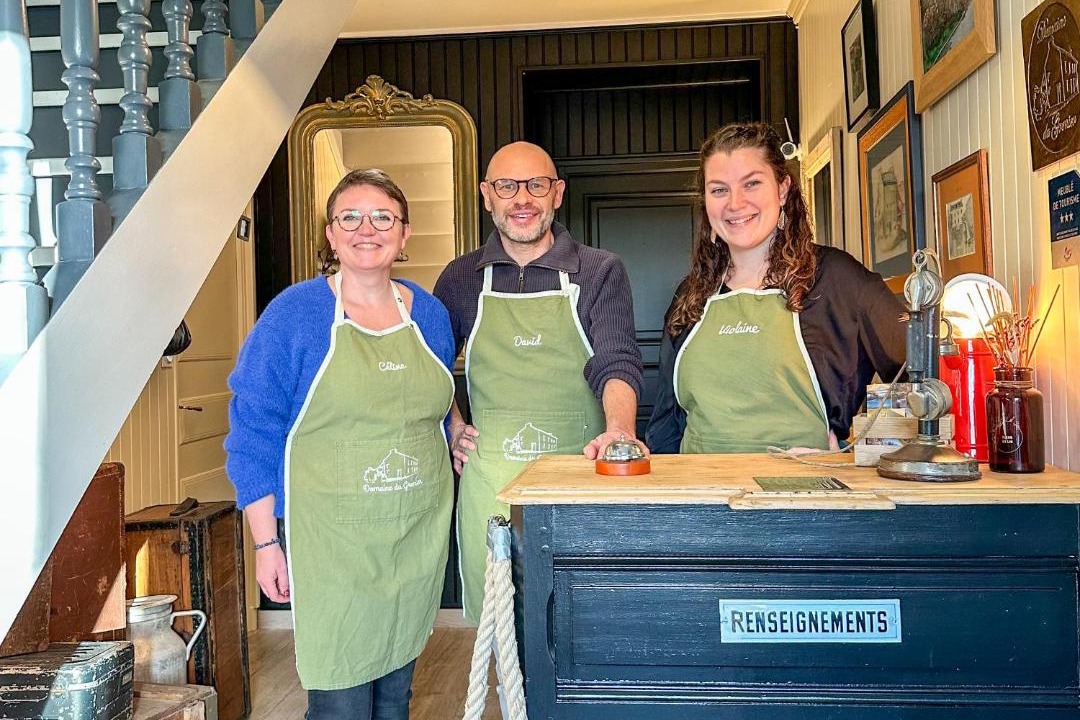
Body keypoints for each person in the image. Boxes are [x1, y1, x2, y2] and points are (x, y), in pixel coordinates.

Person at [225, 169, 456, 719]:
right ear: (330, 235)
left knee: (396, 694)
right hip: (330, 546)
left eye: (383, 217)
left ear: (404, 234)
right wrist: (265, 543)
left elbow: (432, 399)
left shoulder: (429, 314)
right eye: (349, 217)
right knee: (342, 702)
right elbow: (254, 431)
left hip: (412, 535)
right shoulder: (295, 314)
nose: (366, 229)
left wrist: (455, 428)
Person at [434, 141, 645, 622]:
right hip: (493, 484)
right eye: (507, 186)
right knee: (504, 631)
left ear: (558, 194)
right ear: (488, 196)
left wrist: (619, 432)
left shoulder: (599, 271)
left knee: (581, 622)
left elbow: (617, 360)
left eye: (536, 185)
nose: (522, 198)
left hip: (578, 479)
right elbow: (427, 367)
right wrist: (452, 425)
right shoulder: (462, 278)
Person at [646, 123, 905, 454]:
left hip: (805, 498)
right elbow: (666, 424)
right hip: (702, 495)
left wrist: (858, 449)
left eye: (751, 184)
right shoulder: (692, 295)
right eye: (719, 190)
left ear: (782, 189)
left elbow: (918, 378)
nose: (735, 204)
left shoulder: (837, 279)